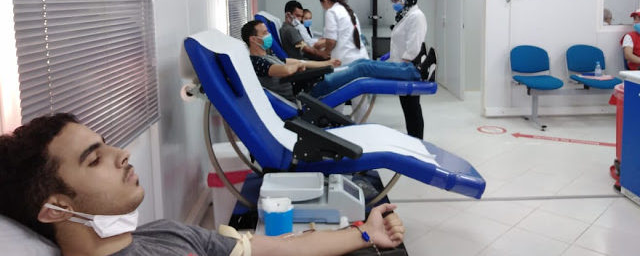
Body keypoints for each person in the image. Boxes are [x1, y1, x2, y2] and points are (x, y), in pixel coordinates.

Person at [0, 113, 405, 256]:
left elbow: (273, 248)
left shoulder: (164, 233)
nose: (121, 153)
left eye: (106, 144)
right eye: (94, 159)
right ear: (57, 208)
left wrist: (364, 233)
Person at [242, 20, 430, 101]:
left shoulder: (269, 55)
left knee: (360, 64)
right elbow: (285, 71)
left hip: (313, 80)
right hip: (308, 91)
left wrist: (327, 63)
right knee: (362, 69)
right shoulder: (256, 62)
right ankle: (415, 72)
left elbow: (300, 63)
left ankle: (411, 69)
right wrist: (297, 65)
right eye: (264, 33)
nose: (268, 35)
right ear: (253, 39)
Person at [389, 0, 430, 139]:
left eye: (397, 0)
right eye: (393, 0)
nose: (394, 3)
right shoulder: (405, 15)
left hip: (408, 68)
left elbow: (414, 47)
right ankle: (413, 138)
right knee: (408, 107)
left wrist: (399, 68)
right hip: (402, 66)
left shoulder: (416, 16)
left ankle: (418, 141)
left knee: (412, 107)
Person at [315, 0, 369, 65]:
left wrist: (325, 52)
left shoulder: (331, 12)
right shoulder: (348, 11)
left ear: (325, 1)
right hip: (361, 56)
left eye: (322, 4)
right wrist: (324, 42)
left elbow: (332, 41)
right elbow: (345, 35)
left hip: (346, 60)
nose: (323, 8)